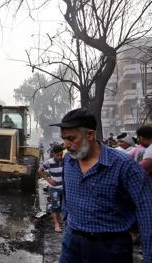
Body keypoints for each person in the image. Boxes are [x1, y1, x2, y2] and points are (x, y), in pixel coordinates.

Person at [51, 108, 152, 262]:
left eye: (71, 138)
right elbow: (66, 193)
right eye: (64, 138)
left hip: (110, 248)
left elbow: (146, 211)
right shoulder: (68, 160)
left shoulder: (123, 165)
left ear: (90, 134)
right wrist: (67, 220)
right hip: (72, 243)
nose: (66, 145)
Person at [38, 144, 64, 233]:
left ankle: (60, 219)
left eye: (61, 155)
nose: (59, 157)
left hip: (64, 188)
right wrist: (48, 179)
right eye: (57, 155)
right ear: (53, 154)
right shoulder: (49, 162)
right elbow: (40, 170)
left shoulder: (65, 161)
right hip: (54, 188)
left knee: (63, 206)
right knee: (55, 205)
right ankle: (56, 224)